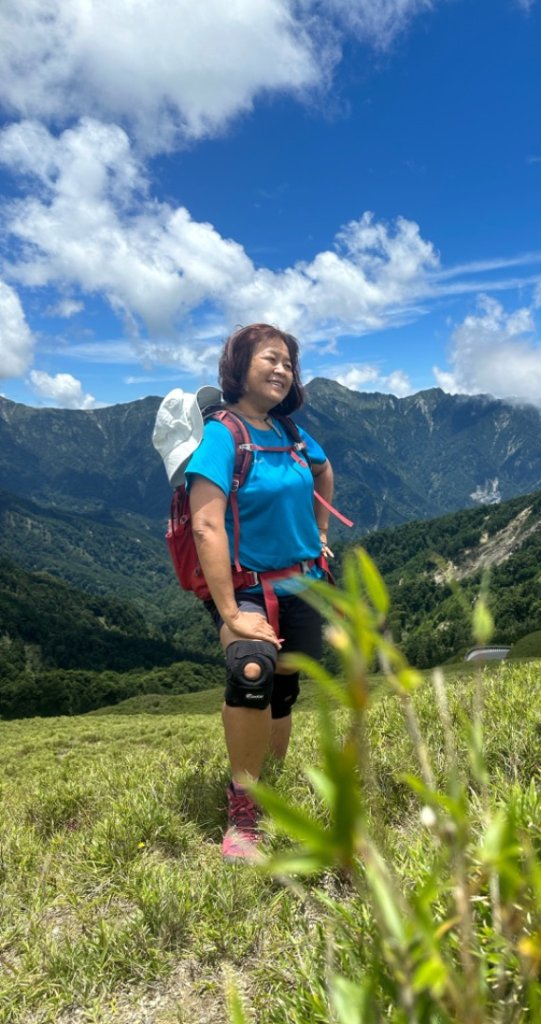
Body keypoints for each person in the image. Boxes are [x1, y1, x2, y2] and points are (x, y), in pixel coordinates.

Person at [185, 323, 335, 860]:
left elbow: (323, 471)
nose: (281, 370)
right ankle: (243, 810)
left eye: (288, 364)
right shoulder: (222, 434)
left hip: (304, 581)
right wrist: (229, 611)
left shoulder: (289, 430)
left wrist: (320, 534)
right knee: (252, 669)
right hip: (246, 586)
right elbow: (206, 526)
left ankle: (269, 784)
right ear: (239, 366)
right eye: (269, 359)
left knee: (286, 684)